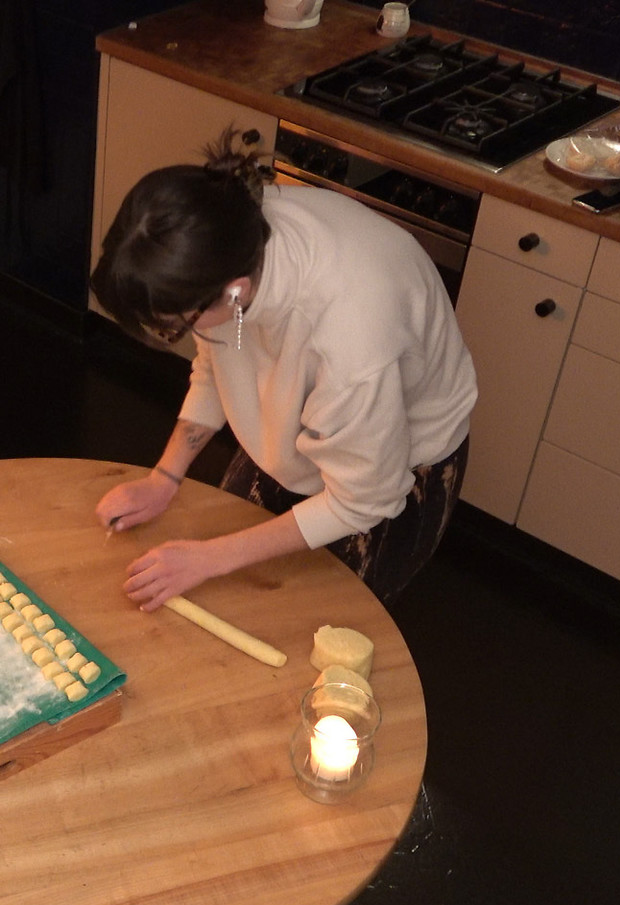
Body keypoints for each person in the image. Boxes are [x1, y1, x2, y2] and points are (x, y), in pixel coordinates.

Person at [90, 132, 477, 610]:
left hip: (392, 466)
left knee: (307, 626)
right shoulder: (227, 238)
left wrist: (209, 558)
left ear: (234, 291)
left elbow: (361, 500)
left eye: (174, 326)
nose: (180, 333)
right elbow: (217, 361)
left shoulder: (349, 340)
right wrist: (164, 479)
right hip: (305, 418)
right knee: (232, 597)